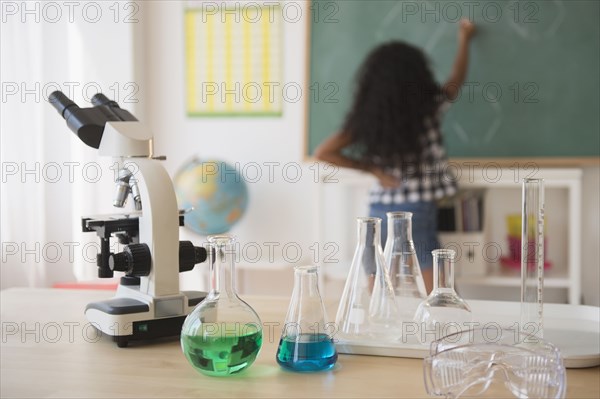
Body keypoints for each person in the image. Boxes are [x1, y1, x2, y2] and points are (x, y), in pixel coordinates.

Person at [315, 19, 476, 293]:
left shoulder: (369, 121)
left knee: (378, 286)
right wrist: (464, 39)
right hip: (419, 206)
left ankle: (376, 330)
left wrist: (373, 170)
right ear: (418, 77)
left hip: (379, 209)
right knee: (439, 289)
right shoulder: (429, 109)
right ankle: (450, 329)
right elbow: (455, 80)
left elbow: (324, 152)